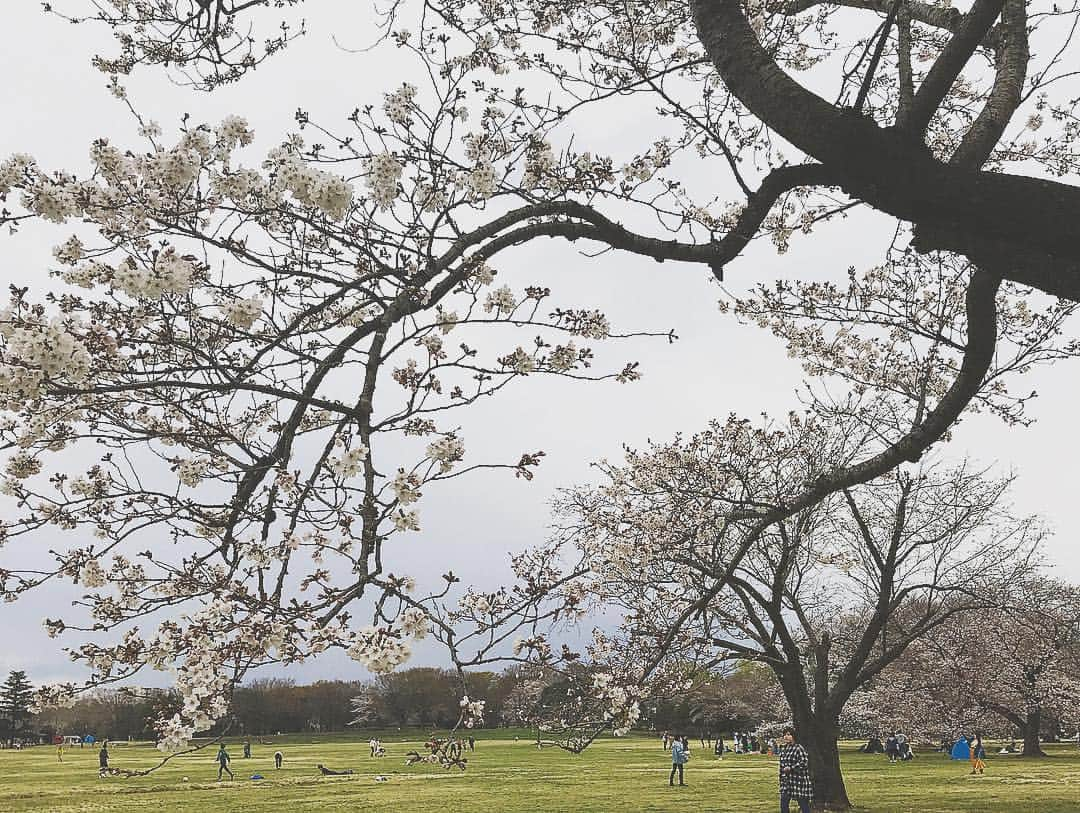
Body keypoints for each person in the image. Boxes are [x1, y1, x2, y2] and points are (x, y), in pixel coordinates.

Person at [777, 728, 812, 813]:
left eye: (789, 734)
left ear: (793, 736)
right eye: (785, 734)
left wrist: (791, 768)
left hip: (798, 781)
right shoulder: (783, 749)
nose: (786, 736)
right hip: (786, 782)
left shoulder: (798, 748)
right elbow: (782, 766)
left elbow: (804, 762)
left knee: (803, 804)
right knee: (783, 803)